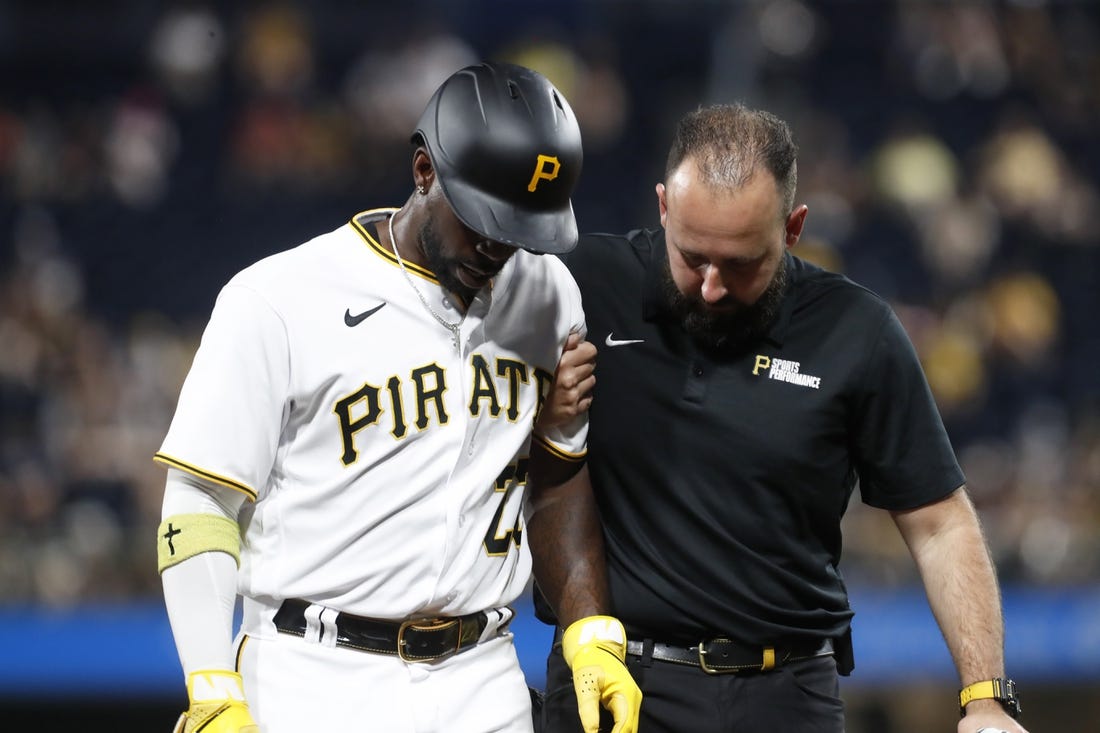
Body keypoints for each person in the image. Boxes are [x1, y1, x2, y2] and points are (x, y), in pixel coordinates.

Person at [154, 61, 638, 733]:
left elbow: (556, 480)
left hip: (483, 677)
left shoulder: (549, 293)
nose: (499, 246)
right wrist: (210, 683)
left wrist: (589, 630)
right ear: (423, 171)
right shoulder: (279, 298)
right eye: (484, 219)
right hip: (312, 674)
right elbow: (201, 502)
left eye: (521, 228)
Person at [536, 103, 1028, 733]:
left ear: (793, 226)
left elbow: (939, 524)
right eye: (692, 257)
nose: (711, 286)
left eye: (740, 264)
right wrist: (537, 417)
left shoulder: (856, 331)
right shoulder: (579, 286)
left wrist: (985, 697)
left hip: (787, 697)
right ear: (663, 206)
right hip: (612, 683)